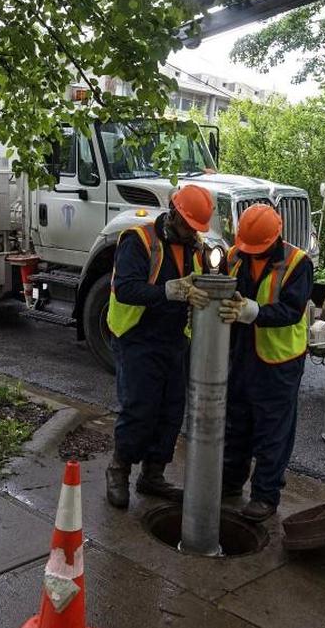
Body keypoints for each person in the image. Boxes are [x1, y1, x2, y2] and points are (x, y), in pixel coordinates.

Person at [104, 184, 214, 509]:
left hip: (174, 339)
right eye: (189, 225)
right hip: (137, 337)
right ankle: (118, 470)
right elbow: (125, 289)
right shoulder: (137, 241)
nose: (193, 232)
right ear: (174, 212)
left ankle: (152, 475)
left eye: (197, 228)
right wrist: (172, 291)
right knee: (140, 408)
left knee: (170, 411)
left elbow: (209, 281)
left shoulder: (195, 248)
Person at [219, 203, 313, 522]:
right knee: (237, 422)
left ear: (276, 237)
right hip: (240, 355)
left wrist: (254, 312)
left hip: (278, 360)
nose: (252, 253)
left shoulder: (297, 263)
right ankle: (230, 483)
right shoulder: (233, 256)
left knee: (273, 431)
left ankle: (265, 495)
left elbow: (292, 309)